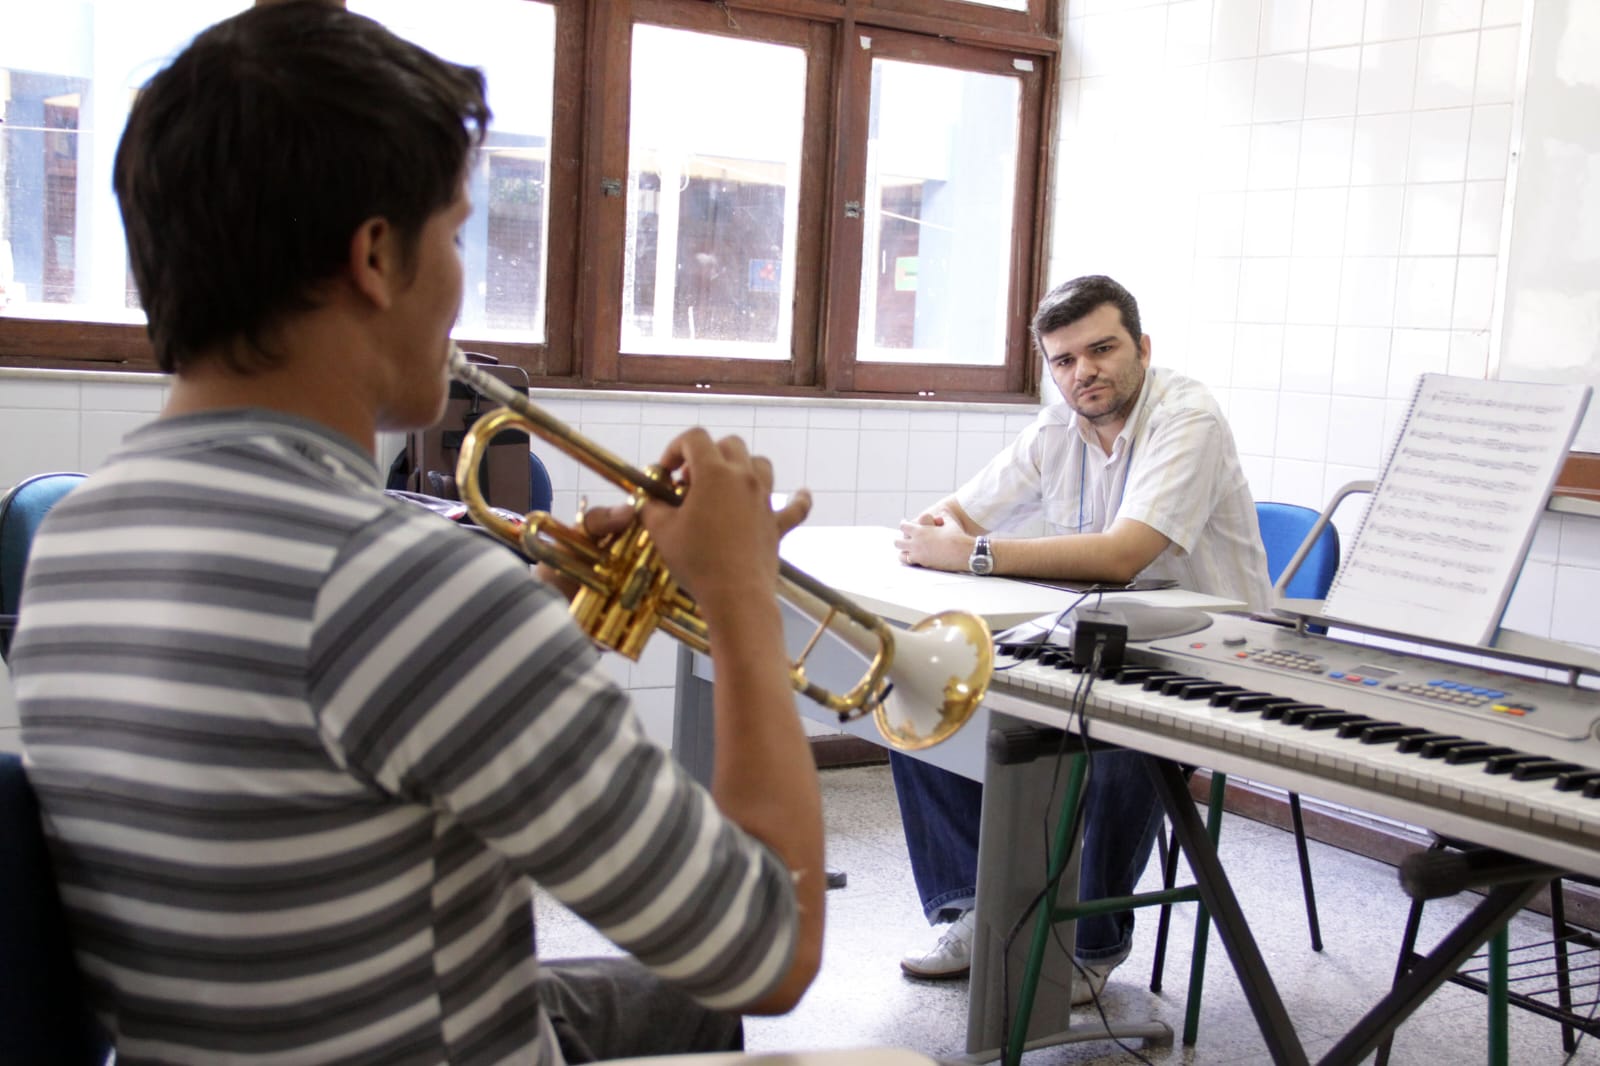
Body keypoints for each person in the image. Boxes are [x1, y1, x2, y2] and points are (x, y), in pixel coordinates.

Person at [10, 4, 823, 1063]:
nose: (460, 284)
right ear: (377, 256)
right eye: (456, 232)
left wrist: (540, 628)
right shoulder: (409, 590)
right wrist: (740, 598)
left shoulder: (68, 539)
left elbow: (323, 724)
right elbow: (772, 952)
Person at [890, 275, 1270, 999]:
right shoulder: (1057, 426)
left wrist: (973, 553)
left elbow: (1123, 553)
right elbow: (957, 514)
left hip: (1209, 649)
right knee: (926, 681)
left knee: (1129, 734)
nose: (1083, 372)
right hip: (1101, 633)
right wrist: (944, 533)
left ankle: (1090, 943)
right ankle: (976, 908)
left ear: (1142, 348)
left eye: (1101, 350)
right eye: (1063, 360)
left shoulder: (1188, 417)